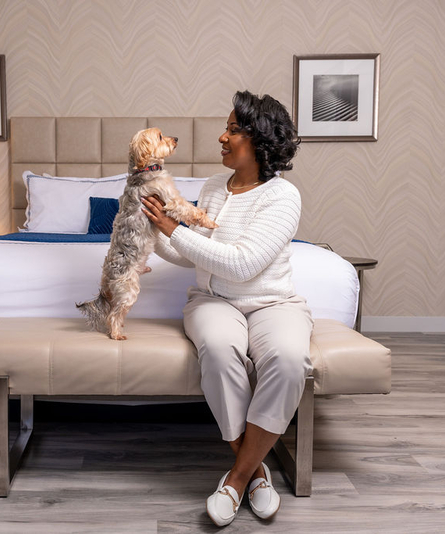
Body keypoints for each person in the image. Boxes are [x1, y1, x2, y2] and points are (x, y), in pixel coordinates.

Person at [141, 90, 313, 527]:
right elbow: (197, 254)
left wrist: (173, 229)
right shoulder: (214, 187)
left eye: (233, 130)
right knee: (218, 350)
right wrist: (154, 231)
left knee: (290, 359)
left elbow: (243, 263)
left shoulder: (283, 196)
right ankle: (256, 472)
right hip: (213, 301)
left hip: (273, 303)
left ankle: (236, 478)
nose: (222, 136)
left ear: (261, 139)